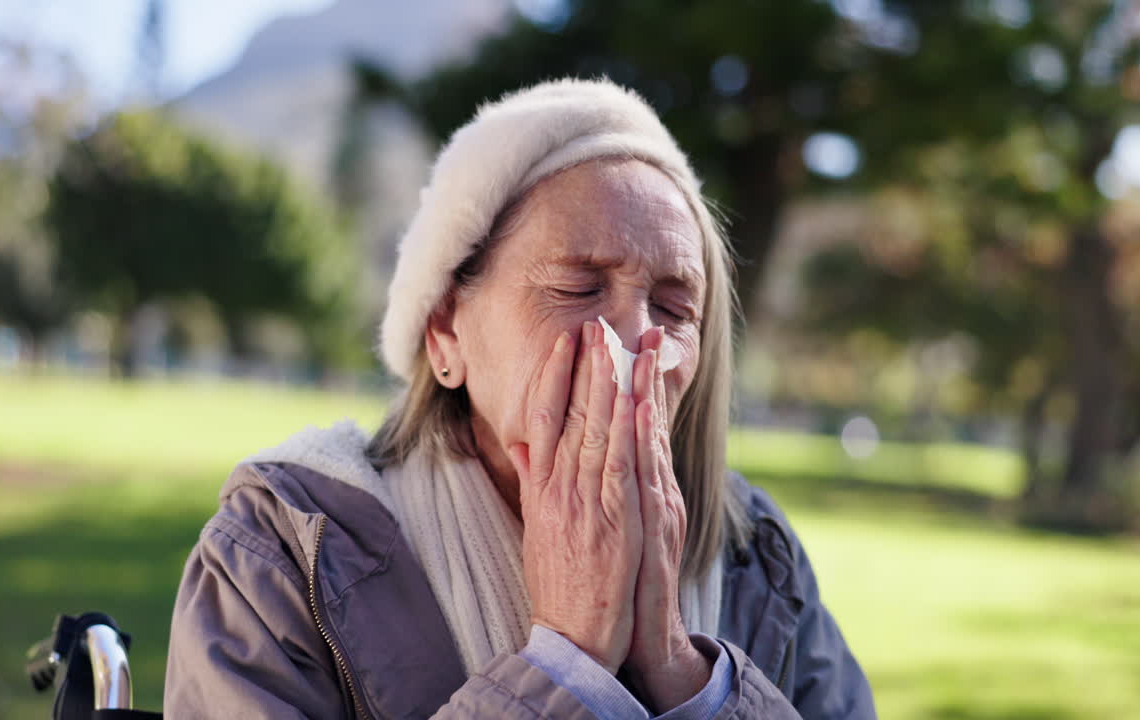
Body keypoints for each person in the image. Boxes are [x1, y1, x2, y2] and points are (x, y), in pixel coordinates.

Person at [164, 78, 876, 719]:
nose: (634, 342)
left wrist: (679, 671)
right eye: (576, 289)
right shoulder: (285, 556)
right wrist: (565, 661)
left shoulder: (759, 560)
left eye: (672, 307)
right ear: (445, 332)